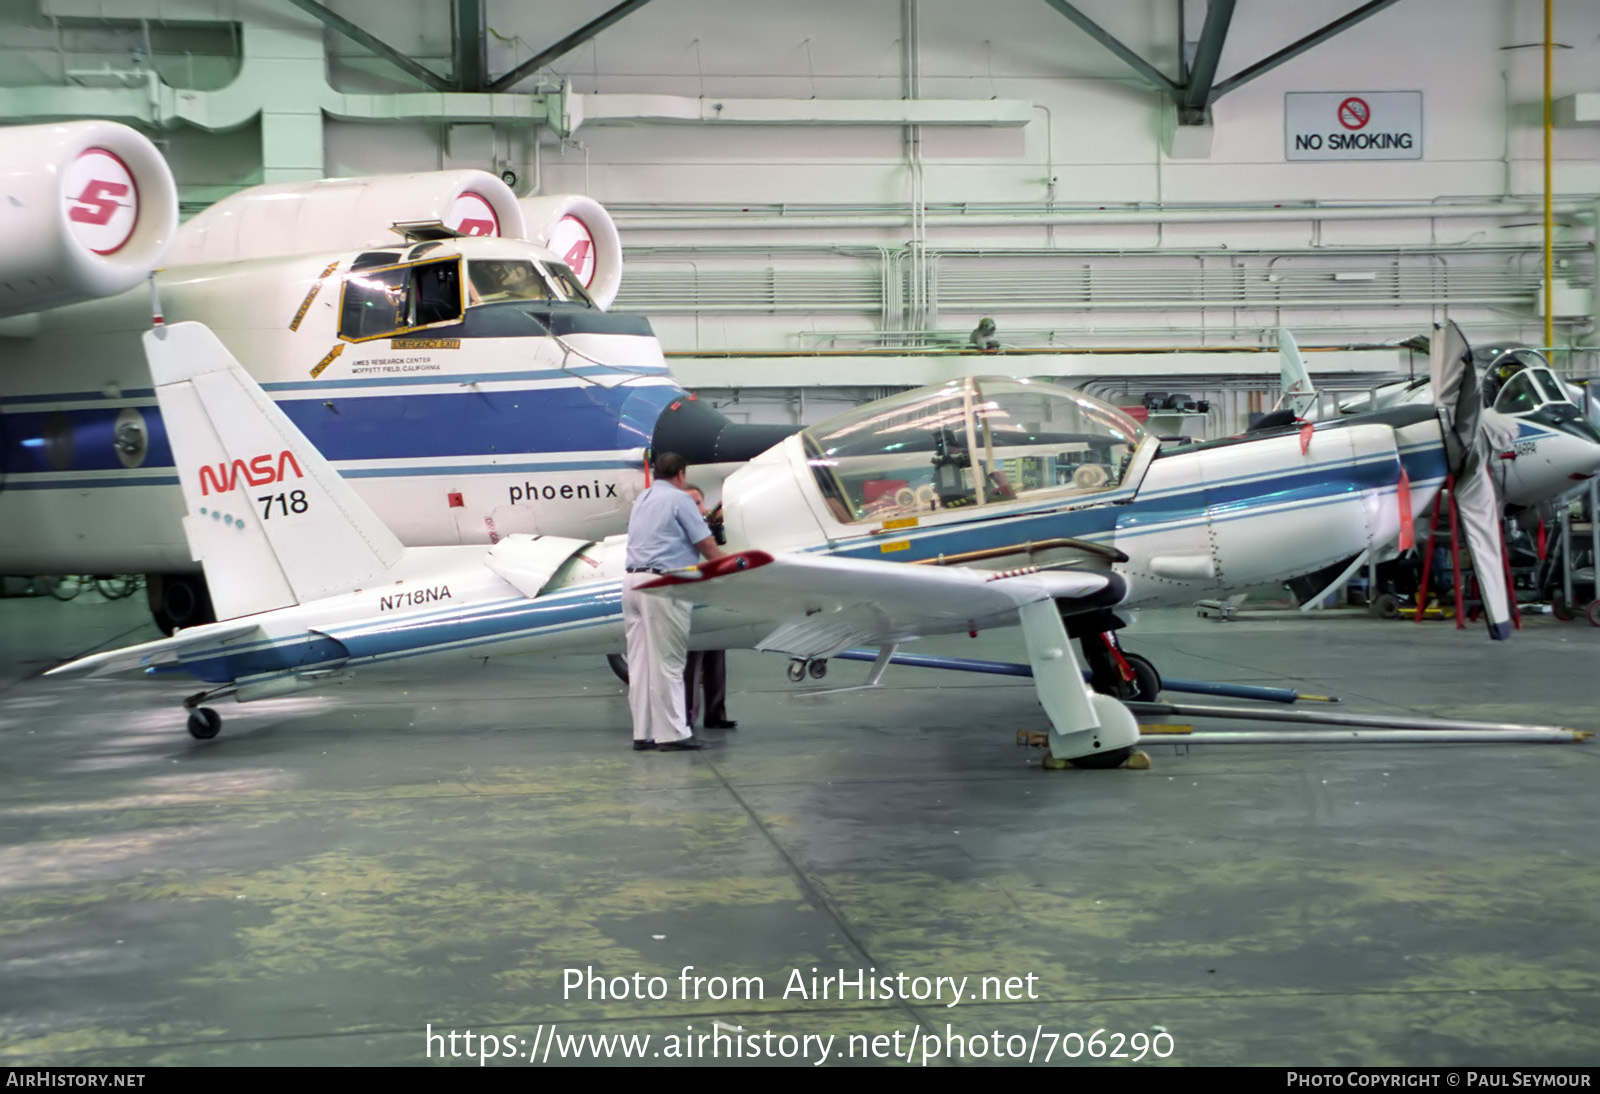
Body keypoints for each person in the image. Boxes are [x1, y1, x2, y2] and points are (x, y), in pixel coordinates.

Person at [623, 453, 724, 752]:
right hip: (664, 583)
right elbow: (705, 544)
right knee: (668, 661)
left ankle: (644, 733)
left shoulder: (642, 499)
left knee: (640, 663)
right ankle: (674, 734)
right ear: (681, 473)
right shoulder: (680, 500)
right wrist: (732, 568)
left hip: (631, 582)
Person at [682, 485, 737, 732]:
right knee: (693, 662)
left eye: (698, 503)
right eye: (690, 503)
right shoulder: (684, 529)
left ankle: (716, 713)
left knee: (717, 659)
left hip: (716, 598)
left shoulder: (711, 526)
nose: (696, 508)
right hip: (694, 597)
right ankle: (687, 717)